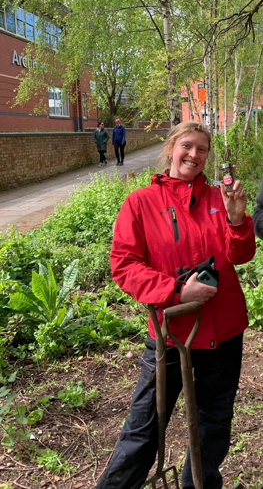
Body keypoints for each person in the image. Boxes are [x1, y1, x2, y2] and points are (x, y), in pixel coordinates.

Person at [95, 122, 255, 489]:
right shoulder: (141, 203)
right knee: (144, 427)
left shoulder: (219, 198)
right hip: (170, 333)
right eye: (187, 146)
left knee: (214, 422)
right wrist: (176, 292)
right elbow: (124, 265)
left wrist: (236, 218)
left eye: (202, 150)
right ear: (171, 149)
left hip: (223, 330)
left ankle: (198, 484)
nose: (194, 155)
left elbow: (241, 255)